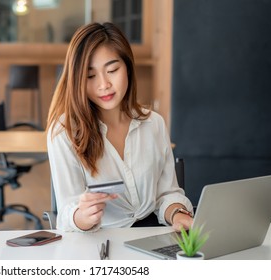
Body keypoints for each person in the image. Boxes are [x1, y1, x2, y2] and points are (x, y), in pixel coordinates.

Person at [46, 22, 193, 232]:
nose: (103, 84)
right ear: (77, 79)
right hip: (100, 240)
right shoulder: (64, 133)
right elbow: (68, 212)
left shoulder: (154, 124)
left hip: (151, 234)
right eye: (90, 76)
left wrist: (178, 214)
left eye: (112, 70)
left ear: (128, 68)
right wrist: (83, 217)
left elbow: (166, 195)